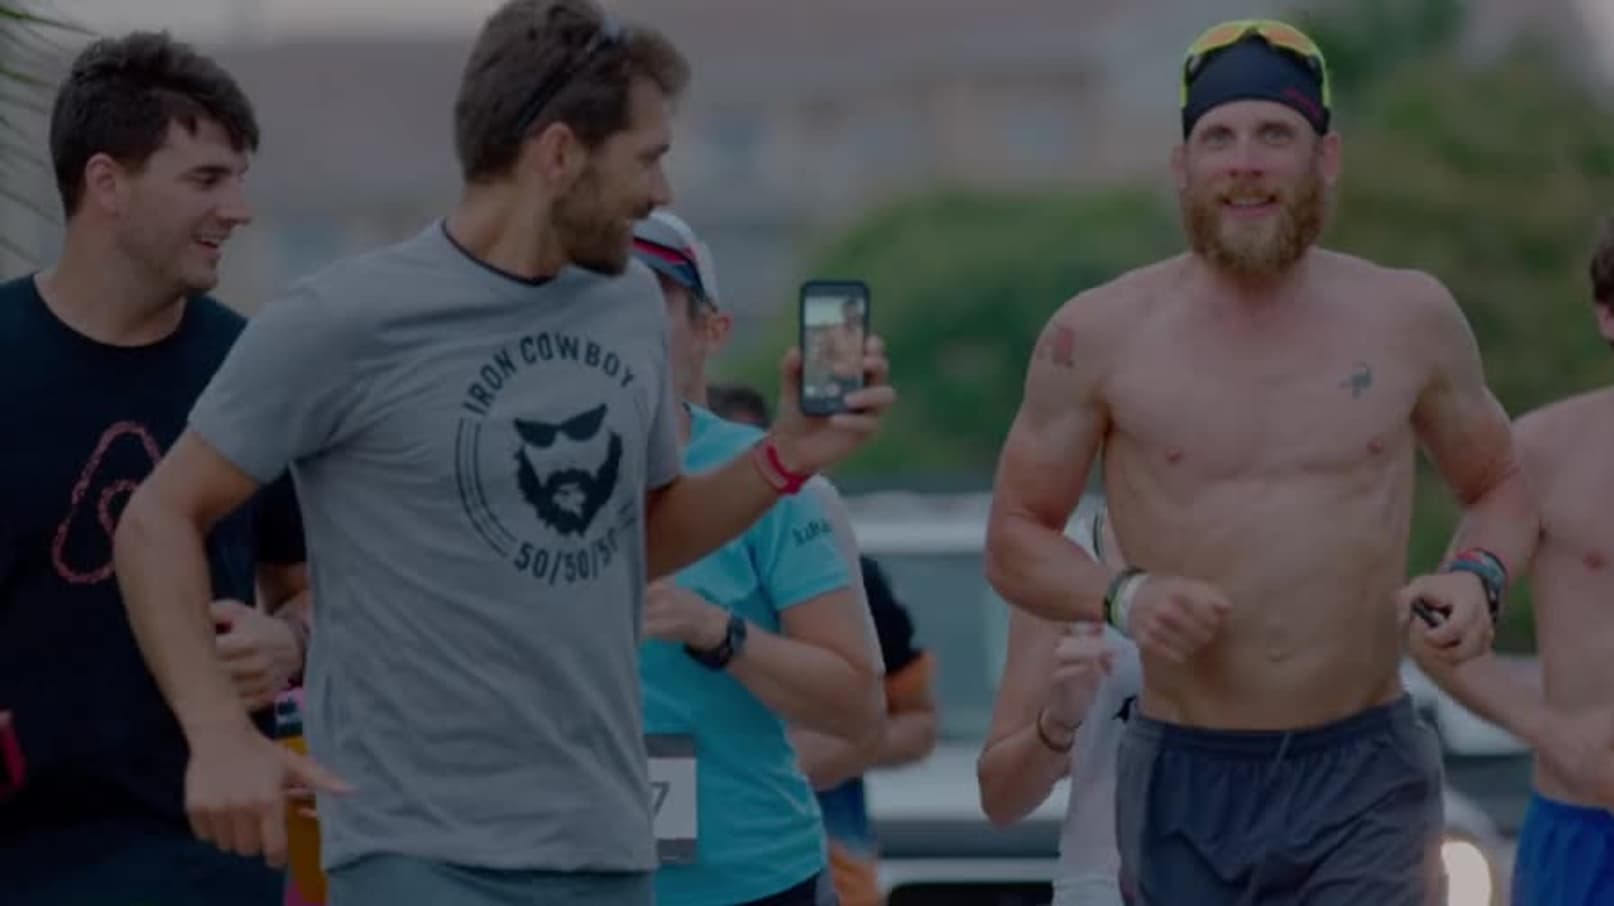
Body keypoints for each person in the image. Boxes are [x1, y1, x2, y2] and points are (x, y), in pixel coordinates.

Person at [109, 2, 895, 904]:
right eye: (647, 157)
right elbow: (156, 519)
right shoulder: (342, 321)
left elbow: (635, 537)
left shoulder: (627, 308)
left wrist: (786, 455)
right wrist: (216, 733)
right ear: (558, 154)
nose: (663, 193)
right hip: (418, 850)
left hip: (607, 849)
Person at [983, 19, 1537, 905]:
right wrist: (1127, 597)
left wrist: (1478, 574)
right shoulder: (1099, 334)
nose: (1245, 163)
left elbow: (1500, 484)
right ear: (1182, 166)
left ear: (1327, 159)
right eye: (1220, 138)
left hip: (1363, 768)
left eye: (1276, 135)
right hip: (1184, 773)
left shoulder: (1409, 318)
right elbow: (1015, 537)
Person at [0, 31, 308, 906]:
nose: (238, 209)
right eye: (206, 179)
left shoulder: (251, 368)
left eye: (239, 179)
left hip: (211, 854)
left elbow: (315, 585)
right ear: (107, 183)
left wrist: (292, 641)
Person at [631, 209, 885, 905]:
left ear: (710, 332)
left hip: (753, 882)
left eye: (644, 297)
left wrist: (717, 631)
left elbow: (858, 709)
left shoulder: (774, 480)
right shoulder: (510, 471)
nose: (616, 321)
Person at [1413, 218, 1614, 905]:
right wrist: (1553, 732)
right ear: (1607, 314)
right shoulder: (1544, 452)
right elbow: (1436, 630)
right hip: (1585, 831)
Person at [708, 382, 940, 906]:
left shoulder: (841, 571)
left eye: (752, 454)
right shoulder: (661, 567)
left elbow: (916, 722)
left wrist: (802, 755)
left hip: (830, 861)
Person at [979, 499, 1136, 906]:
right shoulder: (1065, 560)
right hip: (1105, 886)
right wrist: (1059, 721)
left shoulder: (1261, 549)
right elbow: (1000, 799)